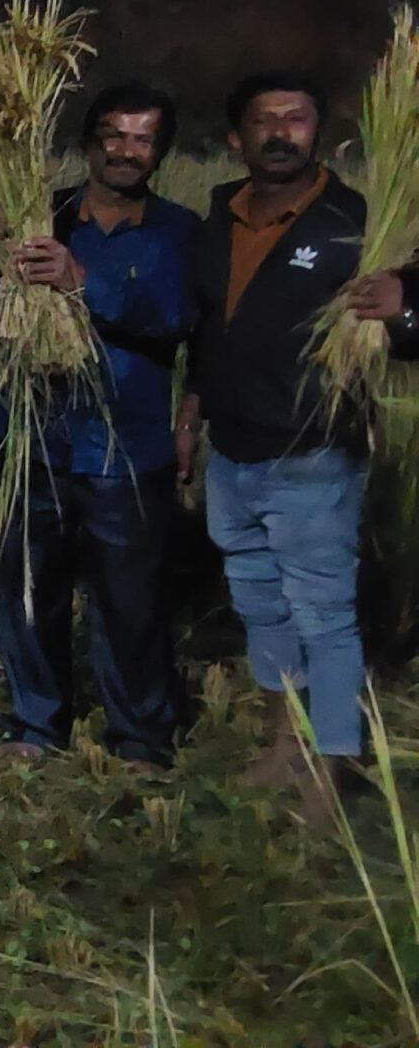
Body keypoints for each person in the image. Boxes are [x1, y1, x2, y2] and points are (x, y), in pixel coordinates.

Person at [0, 82, 198, 770]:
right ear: (89, 142)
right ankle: (34, 724)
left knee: (130, 600)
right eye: (113, 134)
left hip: (125, 444)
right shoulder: (37, 215)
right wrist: (3, 287)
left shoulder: (179, 232)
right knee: (28, 589)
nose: (125, 150)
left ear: (160, 152)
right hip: (34, 436)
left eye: (143, 139)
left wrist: (81, 281)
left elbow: (174, 319)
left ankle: (139, 736)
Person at [179, 73, 370, 817]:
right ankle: (285, 747)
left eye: (297, 119)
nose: (282, 132)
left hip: (312, 452)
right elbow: (209, 328)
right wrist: (191, 413)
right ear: (237, 137)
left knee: (323, 614)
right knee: (261, 606)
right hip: (232, 451)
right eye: (265, 120)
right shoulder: (219, 213)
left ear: (317, 134)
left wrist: (405, 309)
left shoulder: (355, 220)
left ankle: (331, 764)